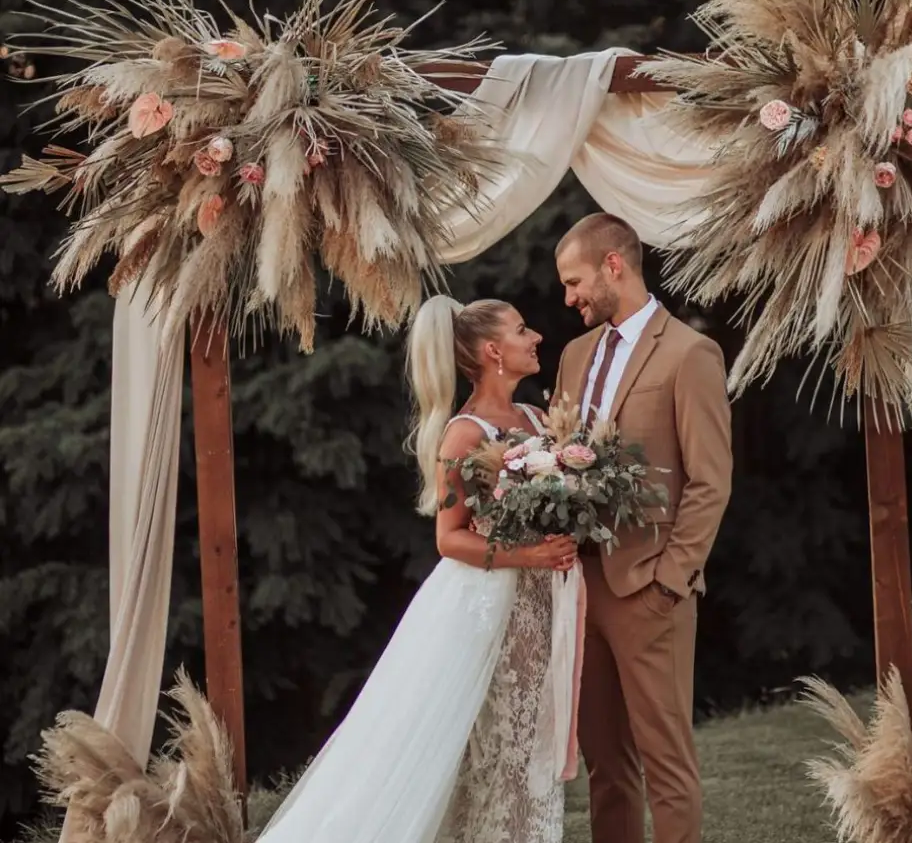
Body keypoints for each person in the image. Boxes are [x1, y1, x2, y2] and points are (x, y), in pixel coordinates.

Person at [256, 296, 575, 843]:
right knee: (492, 742)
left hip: (542, 598)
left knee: (530, 740)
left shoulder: (537, 419)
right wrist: (529, 556)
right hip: (486, 606)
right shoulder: (464, 434)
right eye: (523, 330)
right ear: (495, 350)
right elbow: (449, 539)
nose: (536, 337)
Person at [554, 212, 733, 843]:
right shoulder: (574, 356)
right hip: (581, 588)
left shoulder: (690, 353)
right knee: (607, 766)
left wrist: (671, 581)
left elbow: (710, 481)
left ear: (614, 266)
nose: (569, 298)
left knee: (667, 765)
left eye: (575, 282)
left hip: (650, 589)